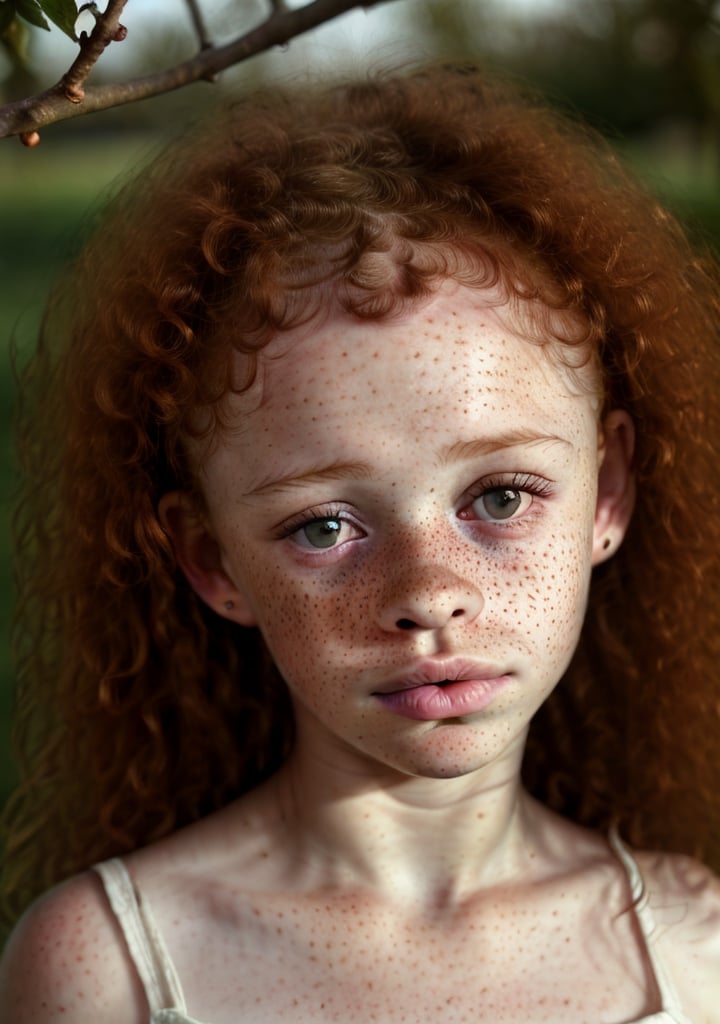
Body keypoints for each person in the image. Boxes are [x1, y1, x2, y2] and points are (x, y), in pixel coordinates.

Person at [0, 63, 719, 1023]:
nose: (429, 592)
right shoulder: (106, 970)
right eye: (325, 525)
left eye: (501, 497)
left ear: (609, 490)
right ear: (213, 561)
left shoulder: (693, 947)